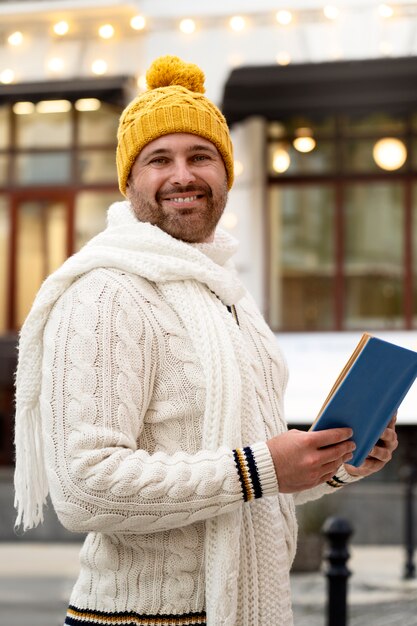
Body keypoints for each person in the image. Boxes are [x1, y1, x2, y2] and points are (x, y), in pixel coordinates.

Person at [14, 55, 398, 626]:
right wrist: (261, 467)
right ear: (130, 180)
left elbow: (251, 490)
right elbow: (84, 489)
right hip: (138, 620)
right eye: (158, 159)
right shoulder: (106, 292)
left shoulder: (229, 298)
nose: (183, 175)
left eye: (201, 156)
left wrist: (335, 462)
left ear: (226, 175)